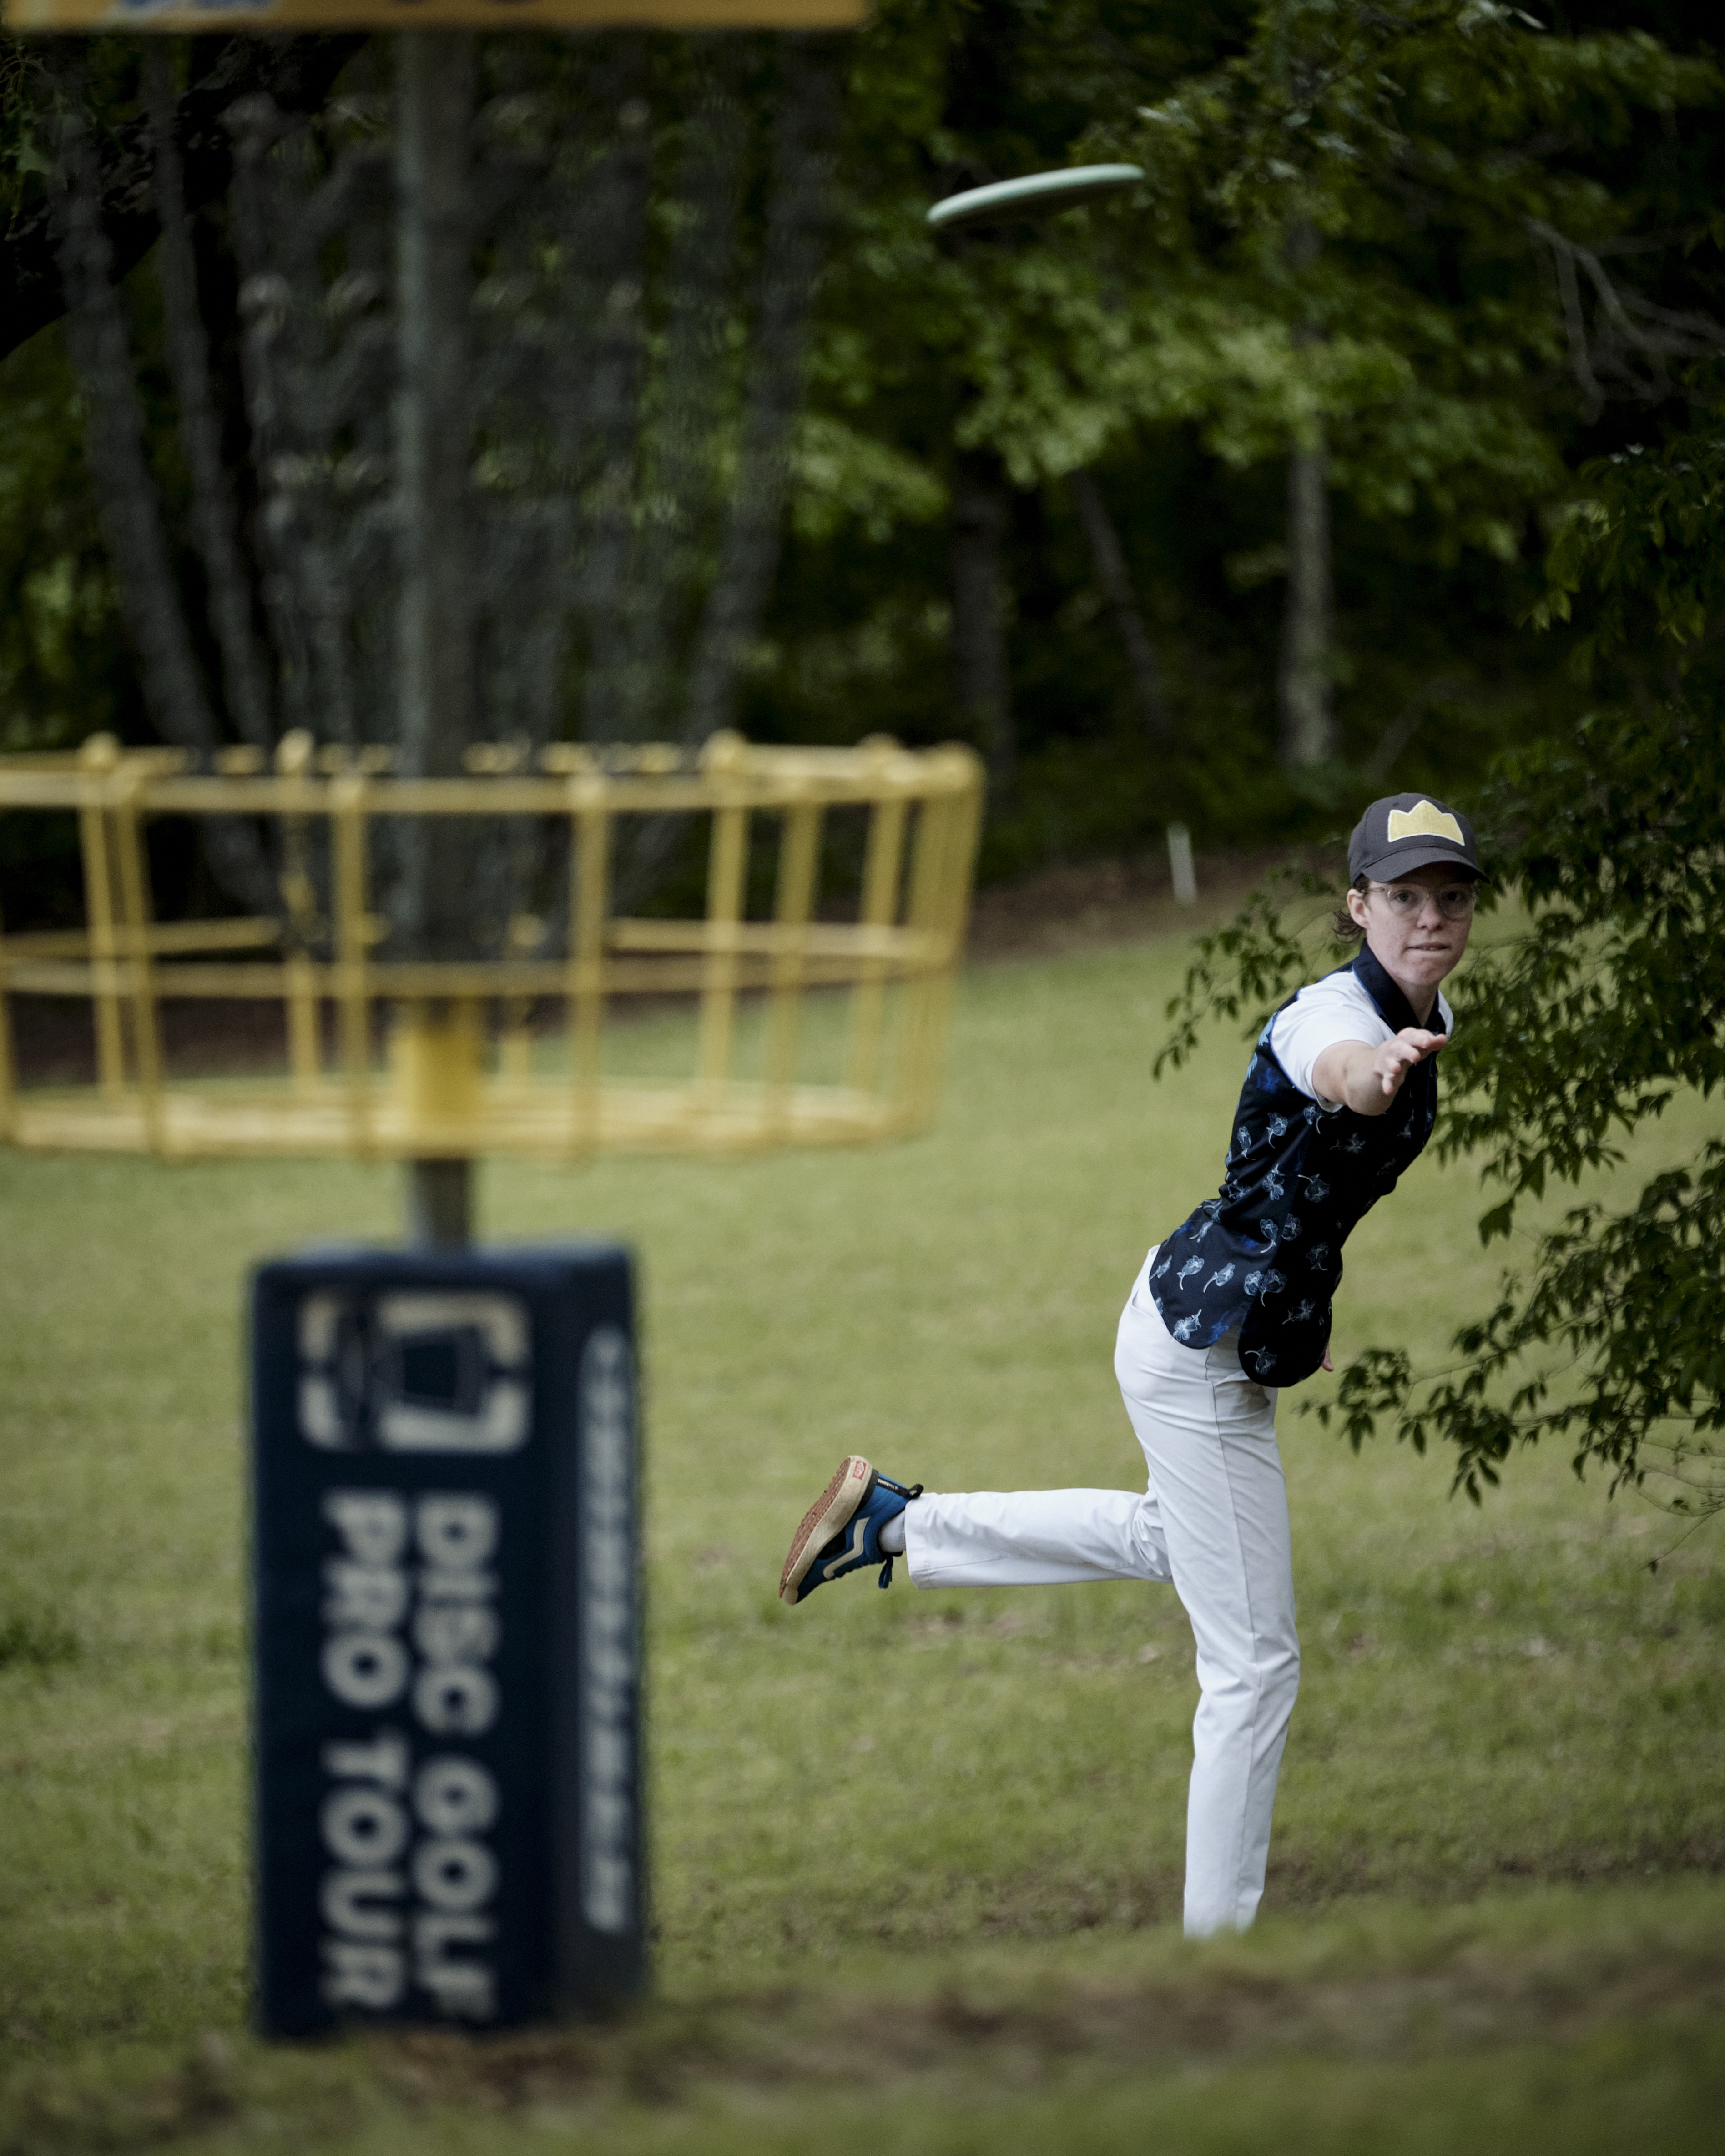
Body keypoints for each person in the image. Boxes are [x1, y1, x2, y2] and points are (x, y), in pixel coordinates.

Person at [777, 792, 1486, 1938]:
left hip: (1207, 1332)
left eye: (1451, 898)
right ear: (1359, 906)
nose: (1431, 919)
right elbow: (1335, 1067)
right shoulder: (1330, 1016)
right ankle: (1219, 1951)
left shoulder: (1431, 1004)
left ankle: (897, 1525)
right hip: (1194, 1347)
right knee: (1254, 1663)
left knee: (1181, 1544)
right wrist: (1374, 1073)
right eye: (1404, 897)